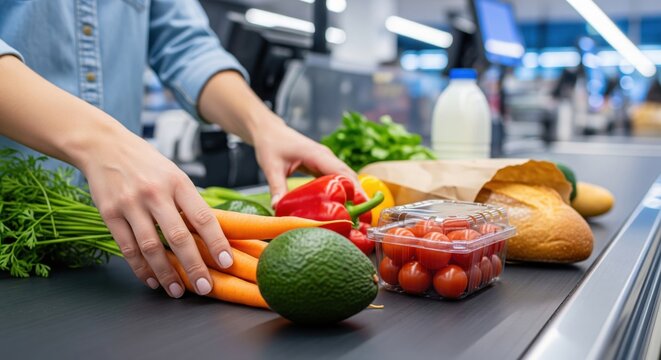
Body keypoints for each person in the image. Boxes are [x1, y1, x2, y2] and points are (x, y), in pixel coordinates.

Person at [0, 1, 355, 298]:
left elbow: (186, 46)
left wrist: (264, 126)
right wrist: (99, 142)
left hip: (121, 243)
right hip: (11, 225)